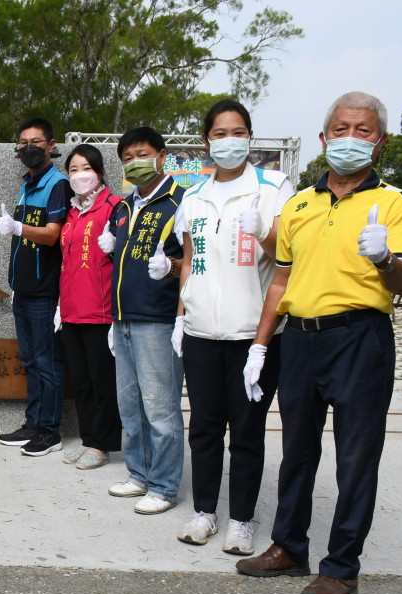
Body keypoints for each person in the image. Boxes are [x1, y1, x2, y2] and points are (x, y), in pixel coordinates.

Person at [235, 92, 402, 594]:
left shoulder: (396, 203)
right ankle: (289, 547)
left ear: (379, 142)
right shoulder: (301, 204)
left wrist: (385, 258)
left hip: (361, 338)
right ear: (324, 137)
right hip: (301, 339)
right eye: (341, 128)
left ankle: (341, 566)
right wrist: (260, 344)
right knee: (297, 451)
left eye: (363, 131)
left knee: (356, 458)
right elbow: (282, 274)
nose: (350, 139)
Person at [175, 99, 294, 554]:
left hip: (253, 337)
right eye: (220, 133)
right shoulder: (193, 196)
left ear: (250, 137)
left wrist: (263, 230)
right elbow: (189, 262)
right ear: (208, 141)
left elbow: (284, 258)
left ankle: (241, 520)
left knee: (246, 431)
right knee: (204, 427)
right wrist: (181, 317)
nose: (230, 140)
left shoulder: (273, 187)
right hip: (202, 334)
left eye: (238, 131)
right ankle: (204, 511)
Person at [102, 127, 186, 515]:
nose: (135, 162)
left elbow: (195, 262)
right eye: (128, 157)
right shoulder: (122, 207)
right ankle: (138, 474)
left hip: (159, 319)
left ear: (162, 156)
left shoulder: (181, 201)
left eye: (142, 154)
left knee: (160, 407)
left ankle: (165, 485)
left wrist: (170, 267)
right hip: (124, 318)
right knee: (130, 405)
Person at [0, 117, 73, 457]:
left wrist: (17, 228)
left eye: (36, 141)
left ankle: (50, 431)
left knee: (47, 360)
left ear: (51, 145)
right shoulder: (27, 183)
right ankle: (33, 422)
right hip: (23, 291)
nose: (29, 147)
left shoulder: (58, 184)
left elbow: (54, 234)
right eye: (23, 141)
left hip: (45, 292)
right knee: (30, 359)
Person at [56, 144, 123, 471]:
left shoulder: (115, 207)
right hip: (71, 311)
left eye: (86, 168)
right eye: (73, 170)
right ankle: (88, 439)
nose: (79, 175)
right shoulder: (71, 213)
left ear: (99, 172)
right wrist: (60, 305)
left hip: (101, 311)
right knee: (81, 381)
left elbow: (122, 258)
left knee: (102, 381)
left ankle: (102, 444)